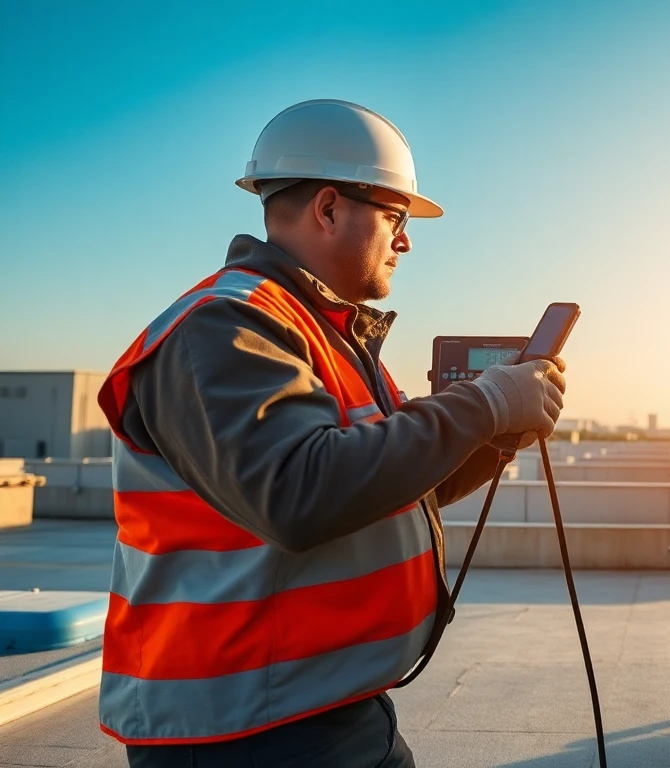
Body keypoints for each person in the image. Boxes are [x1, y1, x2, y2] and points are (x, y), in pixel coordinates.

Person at [95, 99, 565, 767]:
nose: (405, 241)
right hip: (244, 732)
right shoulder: (220, 328)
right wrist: (484, 405)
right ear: (328, 209)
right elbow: (297, 493)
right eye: (397, 218)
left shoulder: (323, 332)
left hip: (321, 705)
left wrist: (501, 430)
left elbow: (388, 482)